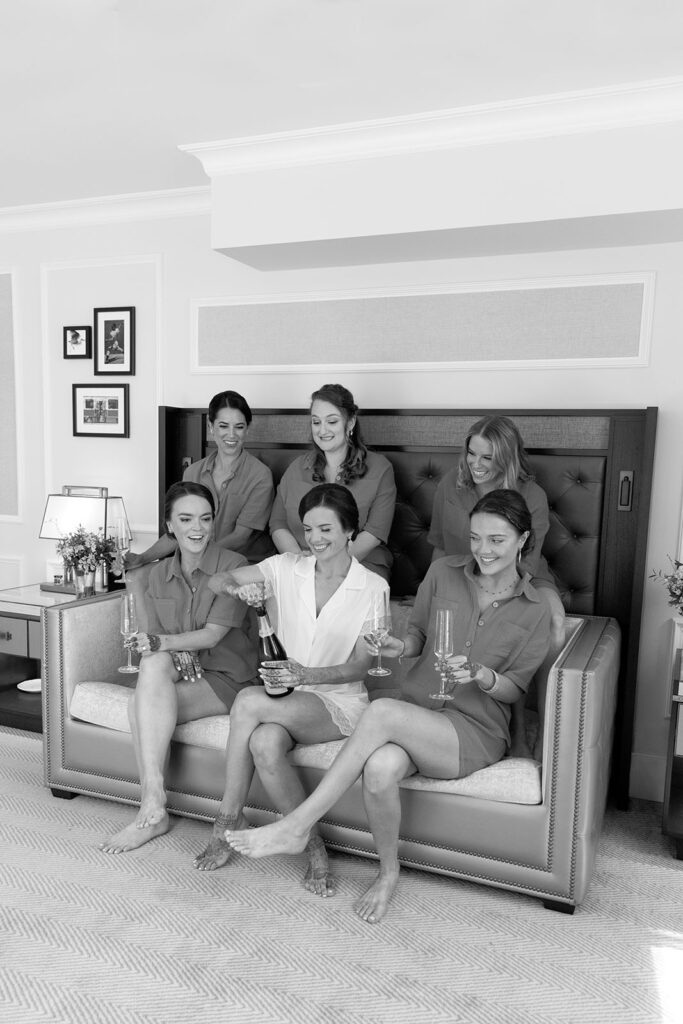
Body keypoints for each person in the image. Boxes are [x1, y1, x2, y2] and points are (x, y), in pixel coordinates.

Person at [220, 489, 552, 924]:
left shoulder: (535, 609)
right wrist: (399, 645)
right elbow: (415, 636)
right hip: (418, 710)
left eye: (497, 540)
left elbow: (514, 690)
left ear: (523, 540)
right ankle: (388, 872)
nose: (483, 550)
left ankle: (298, 825)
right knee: (378, 771)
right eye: (475, 538)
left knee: (380, 711)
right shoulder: (442, 573)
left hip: (472, 729)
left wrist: (485, 676)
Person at [193, 483, 390, 897]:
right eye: (308, 529)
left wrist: (306, 676)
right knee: (264, 743)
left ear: (350, 530)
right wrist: (237, 588)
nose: (315, 540)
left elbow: (361, 665)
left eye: (326, 529)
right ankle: (312, 843)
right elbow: (217, 580)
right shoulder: (284, 566)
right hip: (284, 700)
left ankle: (227, 818)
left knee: (247, 700)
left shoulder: (372, 588)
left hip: (338, 701)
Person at [99, 481, 258, 854]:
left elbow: (213, 636)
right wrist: (135, 583)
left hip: (228, 677)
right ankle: (154, 801)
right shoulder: (157, 574)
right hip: (183, 668)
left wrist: (163, 646)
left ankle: (152, 807)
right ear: (170, 526)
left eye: (204, 518)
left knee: (137, 705)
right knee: (151, 669)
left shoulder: (234, 566)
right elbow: (149, 635)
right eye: (185, 519)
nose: (196, 528)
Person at [429, 414, 565, 753]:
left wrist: (493, 598)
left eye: (487, 457)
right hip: (462, 571)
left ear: (506, 458)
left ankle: (534, 730)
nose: (476, 464)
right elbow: (440, 544)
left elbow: (526, 563)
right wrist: (431, 592)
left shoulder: (531, 495)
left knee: (554, 625)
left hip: (523, 573)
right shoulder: (451, 483)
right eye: (471, 453)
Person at [127, 390, 274, 568]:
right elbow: (178, 532)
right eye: (223, 426)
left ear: (248, 429)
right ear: (211, 427)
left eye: (239, 427)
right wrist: (142, 558)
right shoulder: (192, 473)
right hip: (197, 563)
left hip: (244, 565)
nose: (232, 434)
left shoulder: (260, 476)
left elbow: (240, 537)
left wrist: (195, 557)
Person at [269, 384, 396, 581]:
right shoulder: (297, 467)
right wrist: (300, 562)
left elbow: (375, 532)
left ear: (350, 422)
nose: (322, 430)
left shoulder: (380, 469)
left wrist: (325, 567)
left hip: (359, 564)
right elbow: (278, 523)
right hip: (300, 567)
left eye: (332, 421)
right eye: (316, 422)